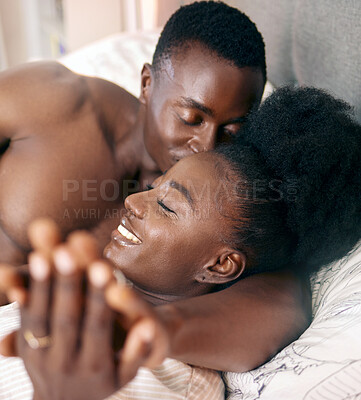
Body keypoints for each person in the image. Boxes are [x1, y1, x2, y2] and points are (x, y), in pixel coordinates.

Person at [0, 2, 309, 397]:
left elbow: (283, 302)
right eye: (191, 119)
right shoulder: (49, 103)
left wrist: (139, 329)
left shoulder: (225, 201)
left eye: (231, 129)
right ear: (147, 83)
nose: (206, 145)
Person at [2, 86, 360, 400]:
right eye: (154, 187)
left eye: (165, 206)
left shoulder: (172, 379)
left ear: (220, 265)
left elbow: (281, 304)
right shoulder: (86, 282)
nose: (132, 201)